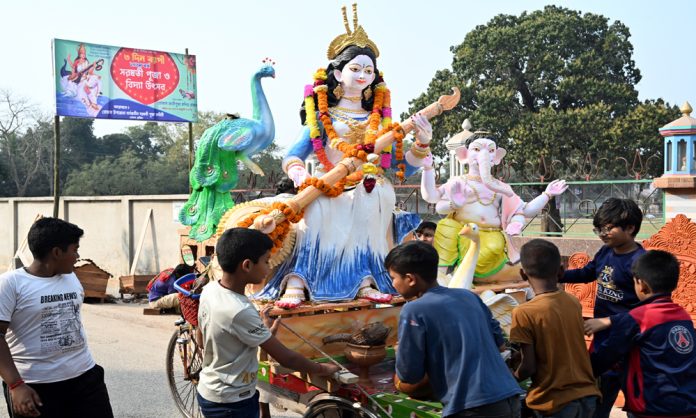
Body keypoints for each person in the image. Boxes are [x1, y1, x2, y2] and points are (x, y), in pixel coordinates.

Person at [255, 5, 430, 308]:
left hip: (370, 186)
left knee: (374, 200)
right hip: (330, 183)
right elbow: (293, 154)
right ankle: (299, 280)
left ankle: (366, 280)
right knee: (317, 209)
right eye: (356, 68)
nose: (363, 75)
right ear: (337, 73)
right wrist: (299, 173)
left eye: (368, 71)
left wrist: (422, 143)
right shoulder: (324, 116)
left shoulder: (381, 122)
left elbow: (403, 168)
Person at [196, 228, 340, 418]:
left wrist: (261, 331)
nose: (269, 267)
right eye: (266, 261)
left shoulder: (211, 289)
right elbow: (288, 359)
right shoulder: (239, 310)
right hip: (231, 403)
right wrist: (322, 369)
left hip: (210, 390)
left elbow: (202, 338)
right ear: (247, 265)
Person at [385, 241, 523, 417]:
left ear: (410, 279)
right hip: (509, 396)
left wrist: (401, 352)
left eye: (393, 278)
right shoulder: (469, 297)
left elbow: (409, 375)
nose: (393, 284)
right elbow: (500, 345)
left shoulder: (413, 310)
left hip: (473, 407)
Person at [0, 218, 113, 418]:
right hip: (35, 387)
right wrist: (16, 385)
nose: (77, 256)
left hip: (85, 379)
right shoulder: (11, 284)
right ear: (57, 252)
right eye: (74, 250)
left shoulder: (70, 276)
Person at [559, 197, 645, 418]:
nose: (602, 234)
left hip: (628, 340)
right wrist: (559, 275)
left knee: (635, 397)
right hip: (602, 338)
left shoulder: (640, 262)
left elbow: (646, 309)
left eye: (608, 229)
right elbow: (587, 273)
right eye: (598, 229)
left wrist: (610, 323)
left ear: (630, 228)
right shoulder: (605, 252)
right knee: (599, 397)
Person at [585, 250, 696, 417]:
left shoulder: (637, 318)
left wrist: (583, 370)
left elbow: (606, 356)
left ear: (641, 285)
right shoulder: (683, 316)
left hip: (652, 407)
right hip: (688, 405)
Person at [510, 239, 600, 418]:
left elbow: (528, 367)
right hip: (588, 395)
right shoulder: (573, 301)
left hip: (554, 401)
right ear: (561, 270)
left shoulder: (523, 312)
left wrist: (508, 380)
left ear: (522, 274)